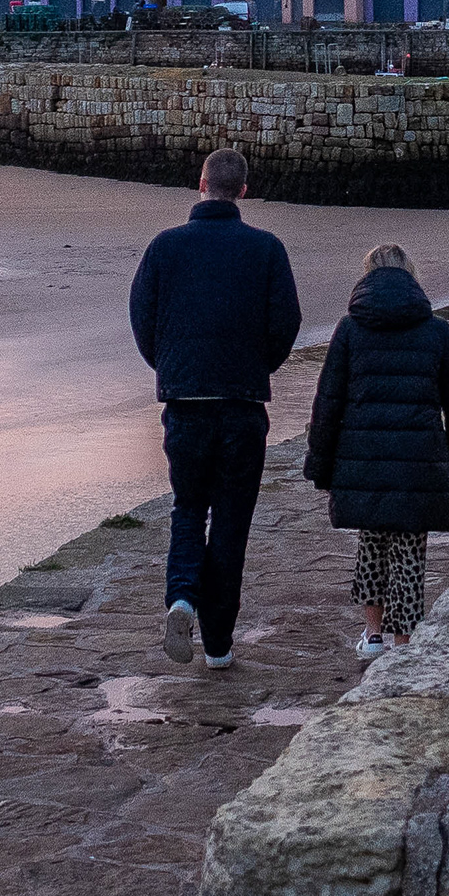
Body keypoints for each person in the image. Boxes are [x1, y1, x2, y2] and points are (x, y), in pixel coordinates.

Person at [128, 144, 302, 669]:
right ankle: (219, 645)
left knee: (188, 507)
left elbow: (142, 317)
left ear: (199, 185)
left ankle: (182, 598)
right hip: (243, 403)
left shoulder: (165, 247)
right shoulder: (266, 249)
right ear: (243, 192)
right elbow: (285, 322)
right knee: (230, 523)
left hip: (186, 399)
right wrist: (256, 367)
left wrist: (171, 366)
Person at [303, 244, 449, 656]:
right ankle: (404, 642)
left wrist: (320, 466)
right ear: (412, 278)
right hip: (418, 463)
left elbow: (327, 402)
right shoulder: (437, 332)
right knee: (409, 556)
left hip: (362, 463)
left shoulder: (349, 329)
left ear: (366, 278)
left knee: (372, 545)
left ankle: (374, 636)